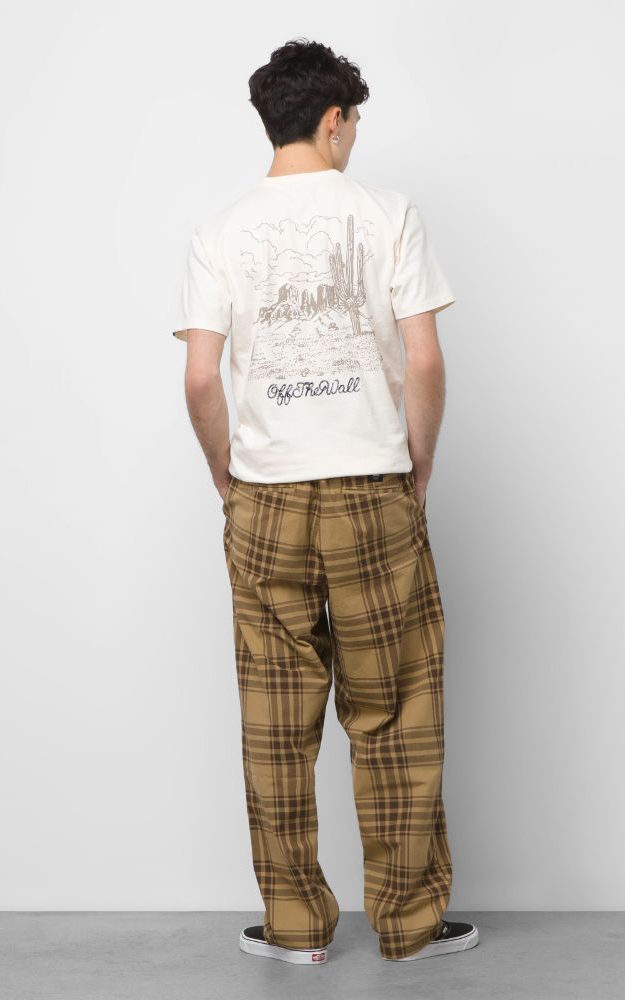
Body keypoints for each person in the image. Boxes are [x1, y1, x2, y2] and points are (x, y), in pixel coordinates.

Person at [171, 38, 477, 965]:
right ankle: (410, 925)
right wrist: (417, 461)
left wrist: (227, 474)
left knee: (276, 720)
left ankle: (297, 929)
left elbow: (199, 378)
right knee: (396, 710)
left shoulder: (219, 230)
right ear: (335, 119)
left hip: (264, 497)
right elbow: (425, 360)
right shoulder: (387, 213)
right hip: (372, 490)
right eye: (355, 120)